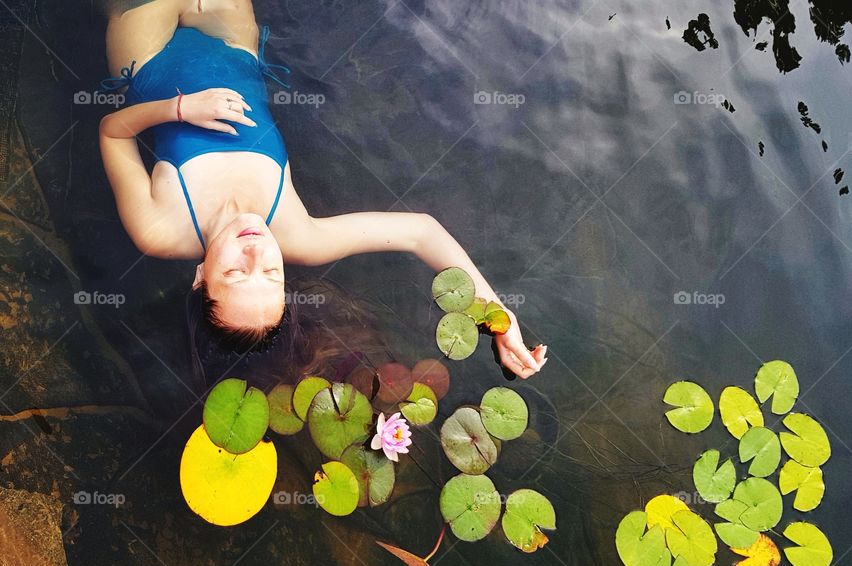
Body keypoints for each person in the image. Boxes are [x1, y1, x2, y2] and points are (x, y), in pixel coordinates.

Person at [98, 0, 547, 378]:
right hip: (234, 47)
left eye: (236, 273)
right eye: (272, 275)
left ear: (200, 279)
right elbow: (421, 232)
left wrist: (179, 109)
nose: (256, 253)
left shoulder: (158, 231)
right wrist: (498, 318)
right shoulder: (300, 236)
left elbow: (112, 132)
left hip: (148, 57)